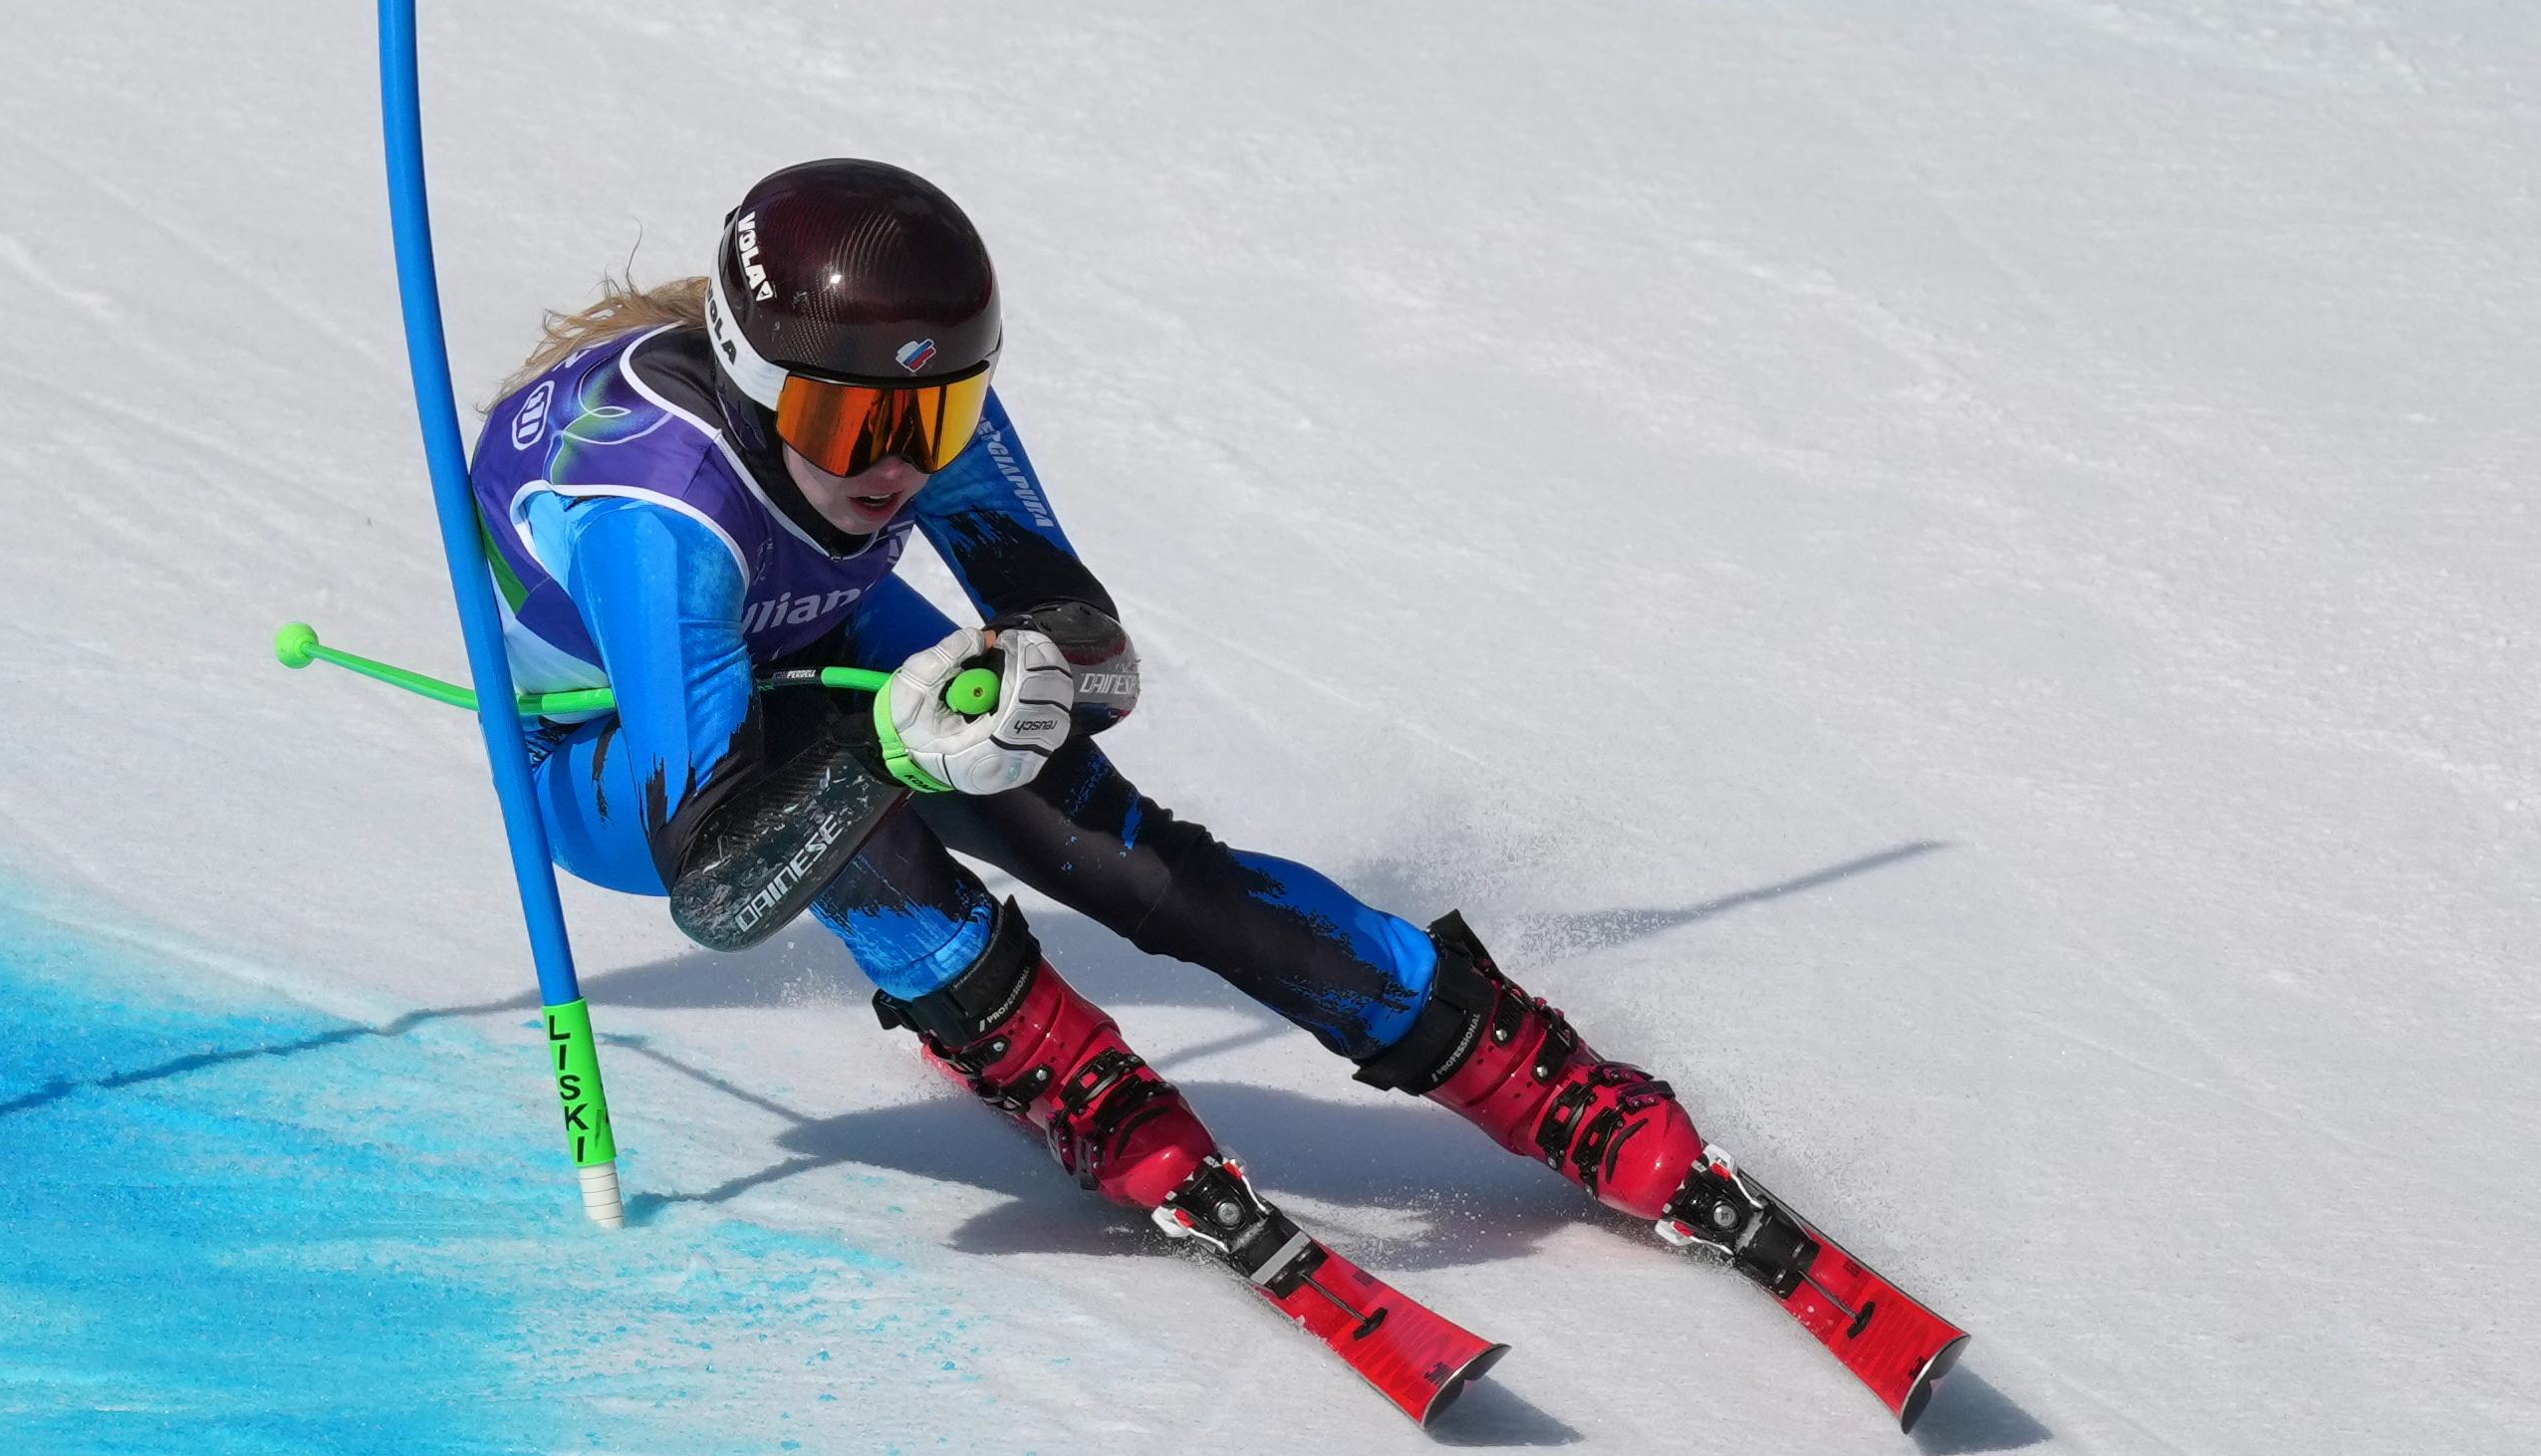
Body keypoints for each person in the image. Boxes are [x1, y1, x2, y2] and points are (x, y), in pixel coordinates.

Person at [463, 153, 1725, 1247]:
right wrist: (891, 752)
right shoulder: (659, 519)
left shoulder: (906, 403)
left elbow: (1092, 655)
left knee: (1106, 841)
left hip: (808, 634)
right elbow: (716, 887)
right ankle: (1056, 1070)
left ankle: (1498, 1054)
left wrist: (1030, 689)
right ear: (755, 384)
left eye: (937, 418)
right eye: (847, 428)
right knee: (846, 798)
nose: (896, 464)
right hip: (599, 759)